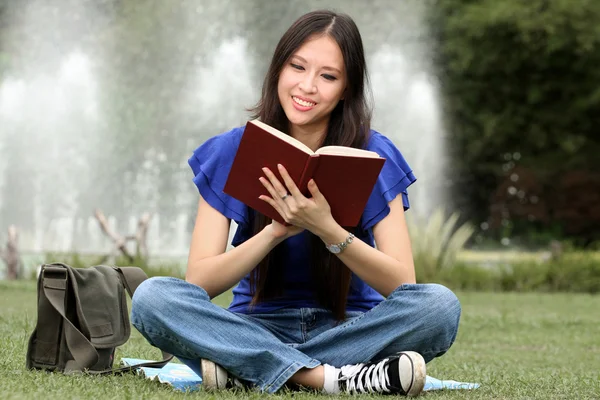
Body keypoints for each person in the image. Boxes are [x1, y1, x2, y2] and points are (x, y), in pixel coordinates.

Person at [130, 9, 461, 396]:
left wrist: (328, 229)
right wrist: (274, 232)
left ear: (347, 88)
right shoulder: (231, 150)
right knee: (153, 297)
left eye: (328, 76)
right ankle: (332, 379)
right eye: (297, 67)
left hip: (352, 328)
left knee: (440, 306)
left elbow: (403, 285)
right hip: (254, 327)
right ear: (278, 69)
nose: (307, 87)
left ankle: (250, 368)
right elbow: (200, 282)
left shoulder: (374, 154)